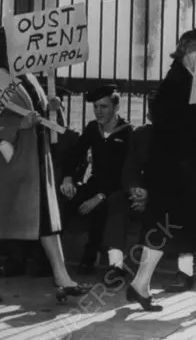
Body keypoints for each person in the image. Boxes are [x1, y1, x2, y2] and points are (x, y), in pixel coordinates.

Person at [0, 27, 84, 303]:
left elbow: (41, 118)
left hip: (32, 163)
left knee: (42, 218)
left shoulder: (29, 78)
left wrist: (52, 107)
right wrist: (19, 124)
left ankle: (60, 278)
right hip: (9, 164)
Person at [126, 28, 196, 314]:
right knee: (167, 228)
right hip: (176, 173)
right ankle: (141, 285)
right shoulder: (175, 82)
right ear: (187, 52)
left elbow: (193, 125)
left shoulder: (194, 80)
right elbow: (166, 127)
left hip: (195, 171)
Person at [59, 84, 133, 276]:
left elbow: (124, 174)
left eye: (104, 106)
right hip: (95, 184)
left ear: (116, 107)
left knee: (102, 208)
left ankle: (90, 258)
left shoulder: (127, 133)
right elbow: (76, 155)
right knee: (65, 200)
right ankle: (51, 259)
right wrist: (68, 178)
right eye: (96, 107)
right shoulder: (93, 128)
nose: (99, 111)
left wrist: (99, 197)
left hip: (117, 189)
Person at [121, 104, 196, 292]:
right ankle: (136, 276)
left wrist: (151, 196)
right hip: (148, 192)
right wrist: (135, 190)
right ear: (149, 116)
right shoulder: (141, 136)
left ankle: (185, 273)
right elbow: (131, 167)